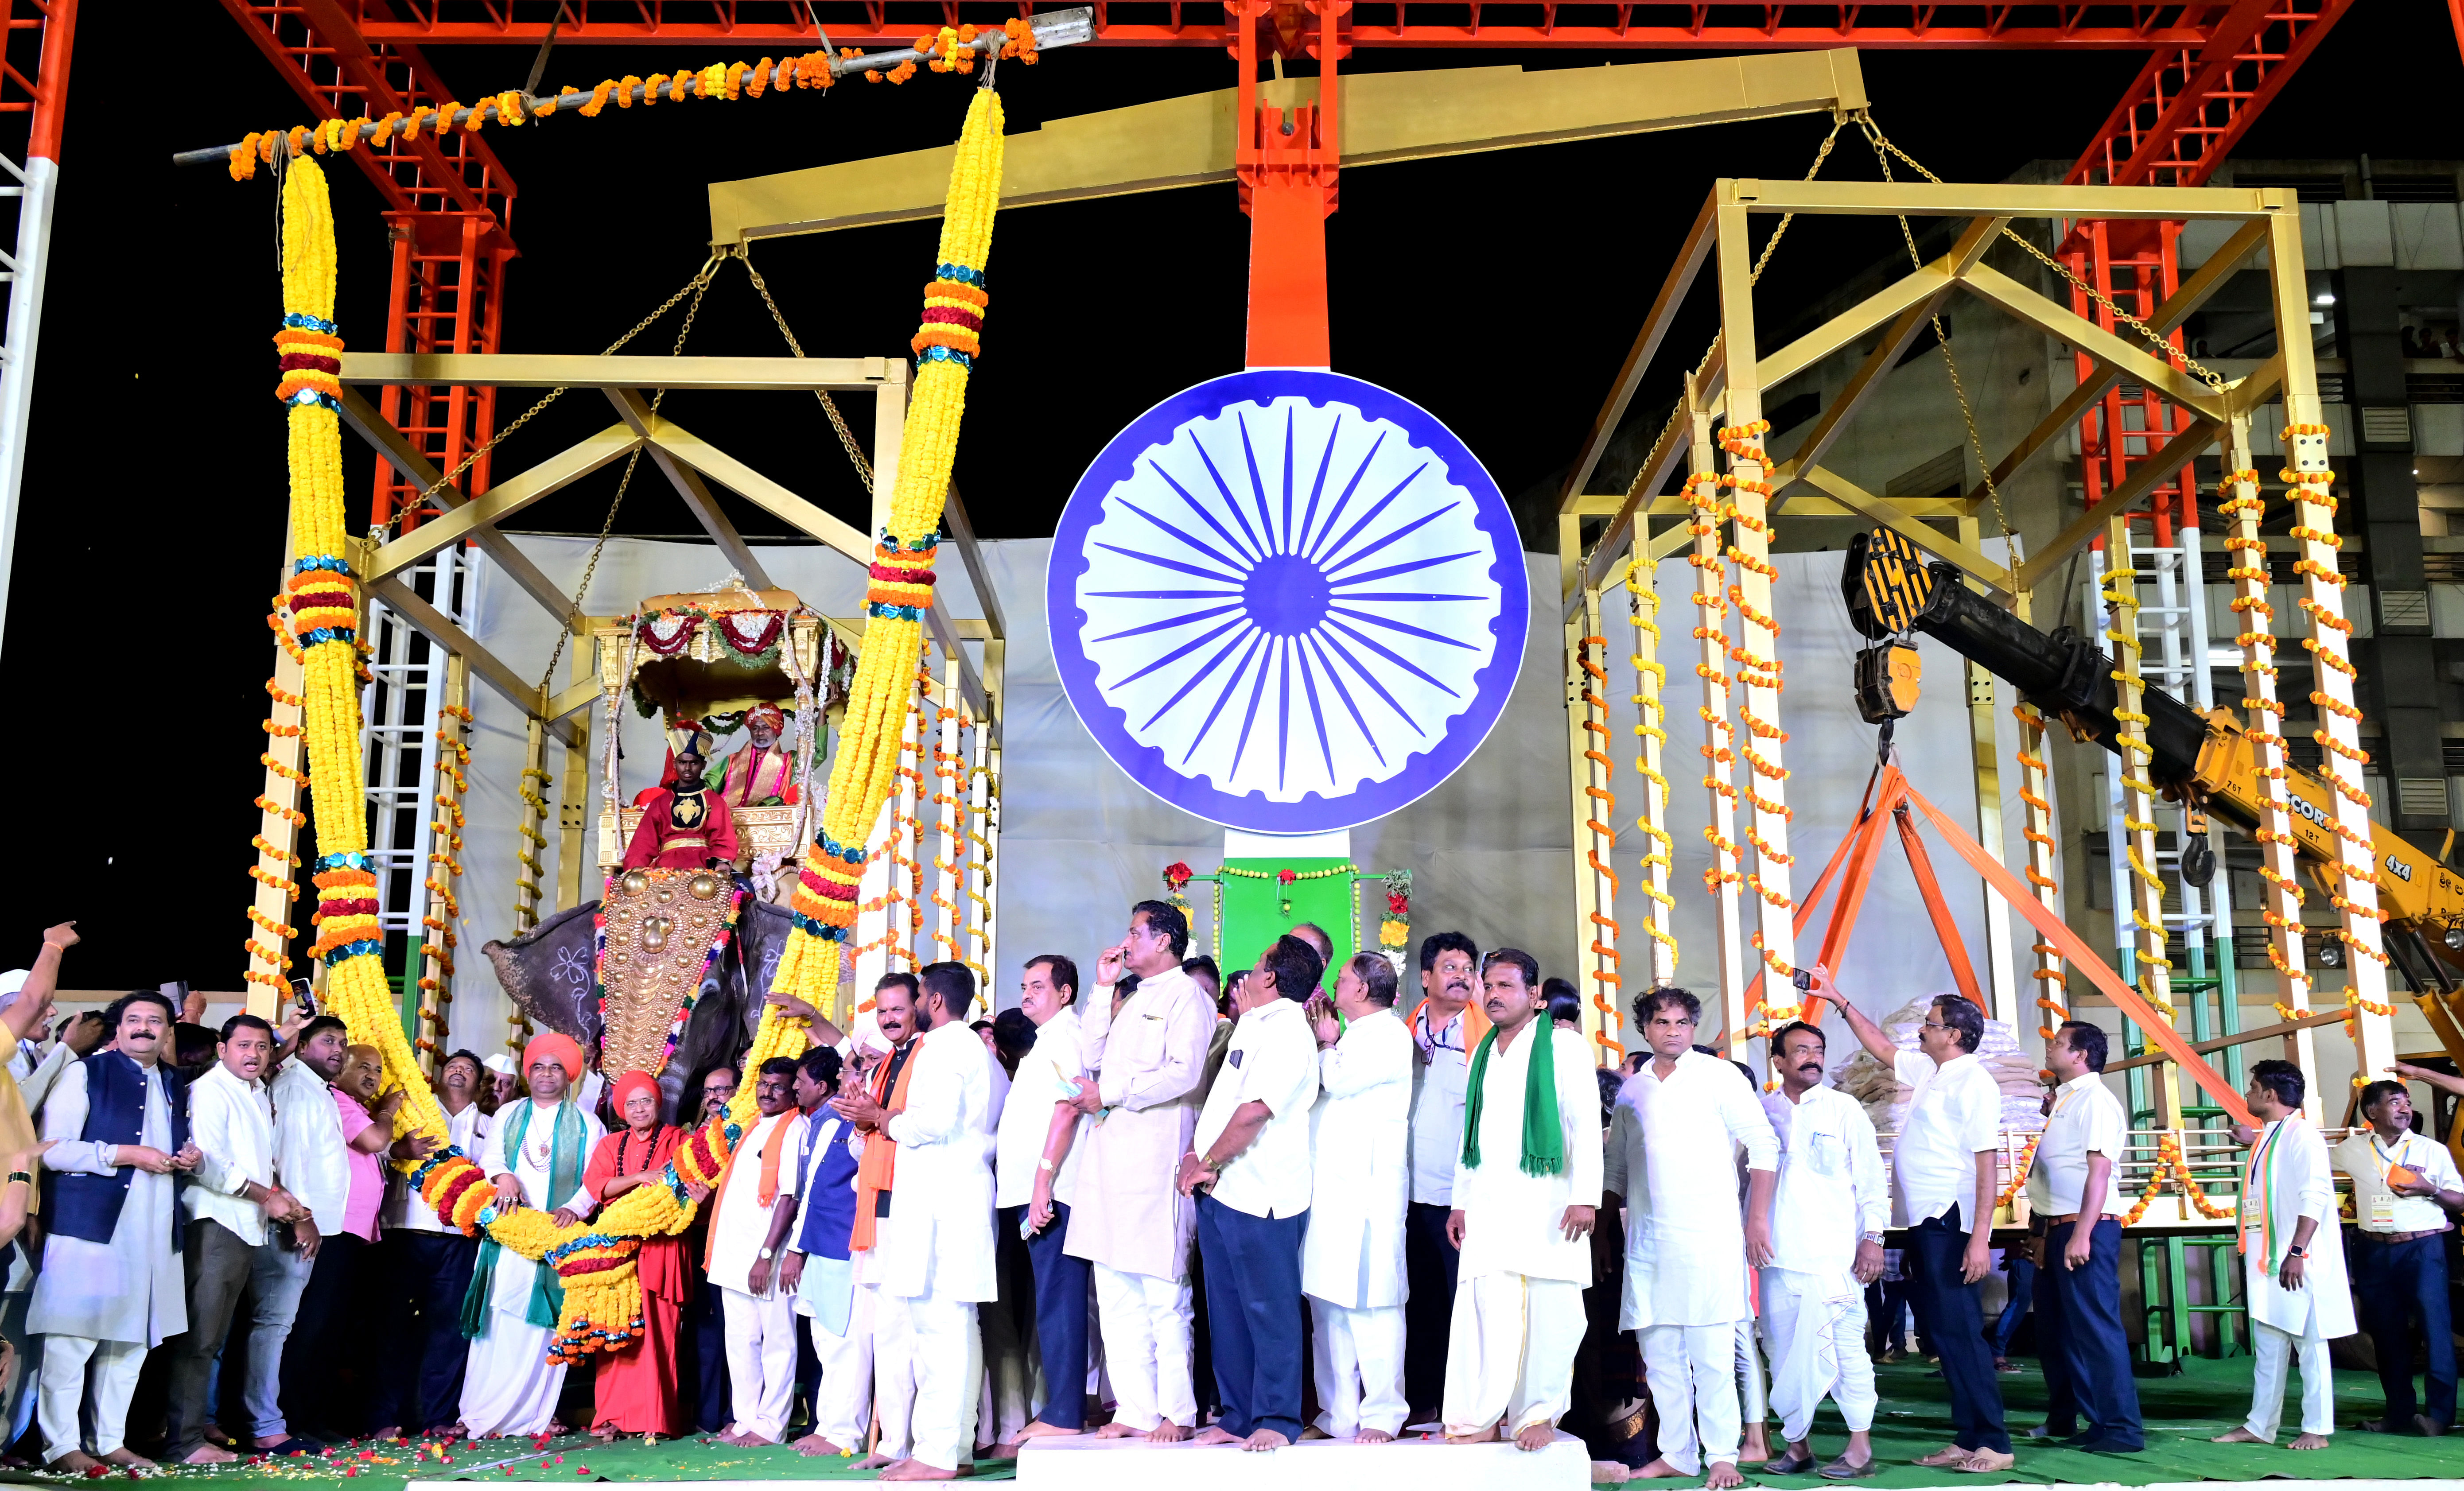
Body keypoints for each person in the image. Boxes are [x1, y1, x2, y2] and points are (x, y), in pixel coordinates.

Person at [1812, 970, 2011, 1472]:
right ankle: (1967, 1438)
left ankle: (1995, 1444)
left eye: (1931, 1024)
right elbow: (1880, 1046)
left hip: (1951, 1222)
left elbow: (1988, 1164)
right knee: (1942, 1335)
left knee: (1962, 1333)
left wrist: (1980, 1240)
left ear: (1956, 1035)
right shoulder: (1930, 1071)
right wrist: (1838, 998)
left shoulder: (1976, 1082)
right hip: (1925, 1223)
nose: (1922, 1030)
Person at [1607, 989, 1778, 1489]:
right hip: (1648, 1246)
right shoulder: (1633, 1090)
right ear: (1645, 1030)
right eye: (1662, 1022)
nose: (1674, 1031)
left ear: (1694, 1028)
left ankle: (1722, 1454)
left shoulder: (1718, 1076)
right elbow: (1616, 1168)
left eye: (1683, 1022)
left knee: (1712, 1358)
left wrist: (1758, 1220)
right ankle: (1678, 1454)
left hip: (1709, 1238)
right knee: (1661, 1360)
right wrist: (1605, 1235)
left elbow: (1764, 1145)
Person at [836, 963, 997, 1481]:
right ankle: (954, 1447)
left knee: (939, 1331)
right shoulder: (955, 1046)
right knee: (952, 1329)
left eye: (919, 994)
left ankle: (938, 1454)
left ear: (933, 1000)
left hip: (942, 1204)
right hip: (943, 1199)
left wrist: (880, 1118)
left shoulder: (947, 1047)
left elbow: (934, 1121)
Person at [30, 990, 201, 1471]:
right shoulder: (85, 1073)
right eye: (134, 1020)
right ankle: (61, 1446)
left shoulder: (176, 1083)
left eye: (155, 1021)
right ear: (118, 1029)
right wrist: (122, 1153)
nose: (145, 1028)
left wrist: (190, 1158)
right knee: (72, 1339)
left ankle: (109, 1441)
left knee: (131, 1342)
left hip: (153, 1230)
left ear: (168, 1031)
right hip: (90, 1228)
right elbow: (52, 1150)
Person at [1065, 901, 1216, 1444]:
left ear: (1165, 941)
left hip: (1157, 1163)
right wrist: (1103, 989)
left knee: (1162, 1294)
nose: (1125, 943)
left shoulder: (1188, 997)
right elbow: (1093, 1054)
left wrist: (1110, 1094)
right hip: (1111, 1162)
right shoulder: (1130, 999)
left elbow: (1184, 1073)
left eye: (1135, 933)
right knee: (1116, 1290)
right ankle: (1135, 1408)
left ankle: (1178, 1412)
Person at [1441, 948, 1602, 1452]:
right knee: (1486, 1309)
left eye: (1506, 986)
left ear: (1534, 995)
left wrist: (1586, 1198)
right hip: (1489, 1207)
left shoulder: (1564, 1047)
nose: (1492, 994)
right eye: (1487, 985)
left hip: (1549, 1204)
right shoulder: (1482, 1052)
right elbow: (1471, 1137)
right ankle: (1482, 1414)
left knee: (1551, 1312)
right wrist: (1459, 1202)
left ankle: (1539, 1414)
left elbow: (1585, 1126)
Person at [1182, 935, 1322, 1452]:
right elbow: (1226, 1103)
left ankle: (1278, 1418)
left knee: (1270, 1309)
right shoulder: (1254, 1024)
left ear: (1269, 977)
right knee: (1228, 1311)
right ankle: (1237, 1413)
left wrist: (1209, 1161)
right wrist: (1199, 1161)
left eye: (1259, 962)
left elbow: (1255, 1111)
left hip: (1261, 1193)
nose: (1249, 971)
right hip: (1222, 1188)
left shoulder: (1288, 1031)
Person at [160, 1015, 300, 1464]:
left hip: (243, 1226)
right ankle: (182, 1442)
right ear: (222, 1050)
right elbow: (206, 1161)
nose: (254, 1055)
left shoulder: (256, 1091)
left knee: (214, 1337)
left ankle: (191, 1433)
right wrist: (267, 1196)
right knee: (199, 1337)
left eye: (262, 1047)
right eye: (244, 1046)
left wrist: (279, 1194)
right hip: (215, 1222)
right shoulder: (211, 1090)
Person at [1754, 1020, 1885, 1480]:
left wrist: (1873, 1239)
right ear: (1779, 1061)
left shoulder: (1843, 1109)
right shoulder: (1761, 1113)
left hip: (1836, 1256)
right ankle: (1798, 1448)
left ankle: (1860, 1449)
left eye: (1818, 1050)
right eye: (1802, 1050)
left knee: (1847, 1348)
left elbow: (1872, 1180)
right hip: (1777, 1258)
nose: (1813, 1058)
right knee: (1781, 1352)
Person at [458, 1032, 605, 1439]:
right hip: (507, 1233)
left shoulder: (587, 1124)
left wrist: (573, 1209)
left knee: (541, 1326)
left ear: (568, 1077)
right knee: (495, 1319)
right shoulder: (509, 1114)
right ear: (529, 1073)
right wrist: (503, 1176)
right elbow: (492, 1156)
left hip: (554, 1238)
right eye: (539, 1067)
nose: (545, 1074)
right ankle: (482, 1413)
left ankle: (533, 1416)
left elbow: (596, 1180)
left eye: (555, 1067)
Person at [1300, 951, 1412, 1443]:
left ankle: (1382, 1415)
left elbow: (1340, 1080)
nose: (1334, 987)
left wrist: (1326, 1042)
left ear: (1364, 990)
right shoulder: (1355, 1037)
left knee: (1374, 1305)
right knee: (1329, 1306)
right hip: (1330, 1192)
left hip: (1369, 1194)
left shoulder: (1389, 1034)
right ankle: (1338, 1414)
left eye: (1342, 979)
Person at [2214, 1059, 2352, 1451]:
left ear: (2270, 1095)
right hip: (2268, 1261)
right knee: (2270, 1345)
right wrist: (2250, 1139)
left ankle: (2317, 1429)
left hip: (2295, 1259)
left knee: (2310, 1344)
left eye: (2253, 1088)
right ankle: (2260, 1425)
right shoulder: (2271, 1134)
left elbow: (2316, 1196)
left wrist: (2297, 1251)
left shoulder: (2302, 1136)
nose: (2247, 1095)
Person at [287, 1043, 420, 1443]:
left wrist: (399, 1147)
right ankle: (295, 1421)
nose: (373, 1077)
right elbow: (374, 1142)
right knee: (314, 1327)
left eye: (378, 1071)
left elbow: (377, 1151)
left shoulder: (355, 1109)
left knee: (333, 1331)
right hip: (331, 1230)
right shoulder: (339, 1102)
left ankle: (315, 1419)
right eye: (363, 1067)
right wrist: (389, 1110)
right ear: (339, 1068)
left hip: (354, 1236)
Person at [2025, 1021, 2139, 1452]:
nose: (2050, 1048)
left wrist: (2082, 1234)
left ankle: (2121, 1430)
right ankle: (2067, 1418)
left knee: (2096, 1329)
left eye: (2058, 1043)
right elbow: (2050, 1171)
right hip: (2057, 1227)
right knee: (2055, 1331)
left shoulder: (2095, 1101)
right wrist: (2040, 1233)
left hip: (2085, 1227)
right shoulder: (2063, 1101)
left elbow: (2099, 1173)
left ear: (2081, 1055)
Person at [369, 1048, 493, 1439]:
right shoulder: (414, 1114)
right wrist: (398, 1151)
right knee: (393, 1330)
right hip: (405, 1233)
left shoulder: (492, 1127)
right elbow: (374, 1150)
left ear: (479, 1083)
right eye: (453, 1067)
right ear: (439, 1077)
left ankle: (439, 1418)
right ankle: (384, 1419)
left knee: (449, 1333)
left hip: (459, 1242)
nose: (459, 1072)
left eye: (468, 1070)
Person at [2336, 1075, 2463, 1436]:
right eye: (2395, 1102)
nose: (2405, 1107)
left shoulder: (2430, 1150)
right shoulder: (2352, 1149)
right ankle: (2398, 1415)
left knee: (2435, 1331)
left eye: (2407, 1101)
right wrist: (2259, 1139)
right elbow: (2309, 1155)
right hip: (2374, 1250)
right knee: (2387, 1335)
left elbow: (2461, 1200)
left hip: (2422, 1249)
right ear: (2372, 1111)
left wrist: (2429, 1189)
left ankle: (2439, 1417)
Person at [832, 975, 923, 1468]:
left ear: (921, 1007)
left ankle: (928, 1445)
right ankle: (893, 1445)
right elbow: (862, 1145)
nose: (889, 1019)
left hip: (913, 1205)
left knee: (917, 1331)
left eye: (897, 1010)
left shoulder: (928, 1055)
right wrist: (858, 1120)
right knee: (887, 1332)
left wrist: (876, 1115)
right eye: (882, 1011)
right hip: (879, 1208)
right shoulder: (884, 1063)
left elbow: (924, 1127)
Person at [1002, 955, 1093, 1446]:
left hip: (1053, 1192)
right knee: (1053, 1298)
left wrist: (1043, 1183)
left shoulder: (1066, 1038)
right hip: (1040, 1190)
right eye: (1024, 985)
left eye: (1039, 985)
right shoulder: (1048, 1040)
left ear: (1065, 993)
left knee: (1059, 1299)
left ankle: (1065, 1409)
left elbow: (1068, 1109)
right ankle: (1065, 1405)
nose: (1028, 993)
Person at [581, 1069, 690, 1440]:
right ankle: (611, 1416)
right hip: (617, 1251)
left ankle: (655, 1420)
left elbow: (686, 1179)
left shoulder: (678, 1139)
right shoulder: (611, 1145)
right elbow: (598, 1186)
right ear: (621, 1110)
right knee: (616, 1330)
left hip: (663, 1246)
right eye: (632, 1102)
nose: (640, 1108)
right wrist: (642, 1177)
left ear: (658, 1105)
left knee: (659, 1333)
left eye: (647, 1101)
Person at [709, 1057, 808, 1446]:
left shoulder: (795, 1128)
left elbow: (790, 1197)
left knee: (778, 1342)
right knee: (741, 1340)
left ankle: (772, 1425)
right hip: (733, 1254)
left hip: (769, 1256)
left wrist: (767, 1255)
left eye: (778, 1086)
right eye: (763, 1084)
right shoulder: (754, 1126)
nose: (767, 1092)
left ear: (792, 1091)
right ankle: (746, 1419)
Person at [1407, 930, 1483, 1421]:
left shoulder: (1486, 1037)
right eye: (1450, 967)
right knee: (1418, 1306)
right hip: (1406, 1194)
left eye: (1467, 968)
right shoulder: (1404, 1030)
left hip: (1459, 1199)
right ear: (1426, 976)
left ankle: (1466, 1406)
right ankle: (1420, 1404)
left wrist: (1467, 1197)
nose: (1461, 976)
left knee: (1465, 1307)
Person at [784, 1046, 867, 1457]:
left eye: (858, 1069)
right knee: (823, 1339)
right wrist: (799, 1248)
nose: (848, 1079)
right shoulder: (823, 1120)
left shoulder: (853, 1121)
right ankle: (829, 1425)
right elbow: (813, 1188)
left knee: (842, 1341)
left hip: (843, 1242)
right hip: (818, 1242)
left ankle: (845, 1433)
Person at [682, 1062, 742, 1433]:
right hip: (695, 1243)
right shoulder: (691, 1138)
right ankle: (706, 1417)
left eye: (722, 1090)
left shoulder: (744, 1133)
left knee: (734, 1330)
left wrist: (714, 1200)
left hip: (735, 1241)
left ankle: (736, 1416)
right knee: (704, 1332)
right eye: (709, 1092)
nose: (715, 1098)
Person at [622, 726, 740, 872]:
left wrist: (722, 864)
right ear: (674, 764)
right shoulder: (660, 803)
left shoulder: (715, 801)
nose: (688, 768)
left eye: (694, 763)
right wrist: (635, 869)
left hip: (705, 869)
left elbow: (724, 839)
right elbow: (643, 843)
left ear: (703, 765)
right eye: (682, 762)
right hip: (665, 871)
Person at [711, 704, 799, 808]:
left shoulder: (791, 760)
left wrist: (821, 715)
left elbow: (816, 756)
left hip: (774, 821)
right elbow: (709, 786)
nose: (760, 733)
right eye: (755, 728)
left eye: (766, 728)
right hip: (732, 819)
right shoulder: (732, 760)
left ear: (776, 731)